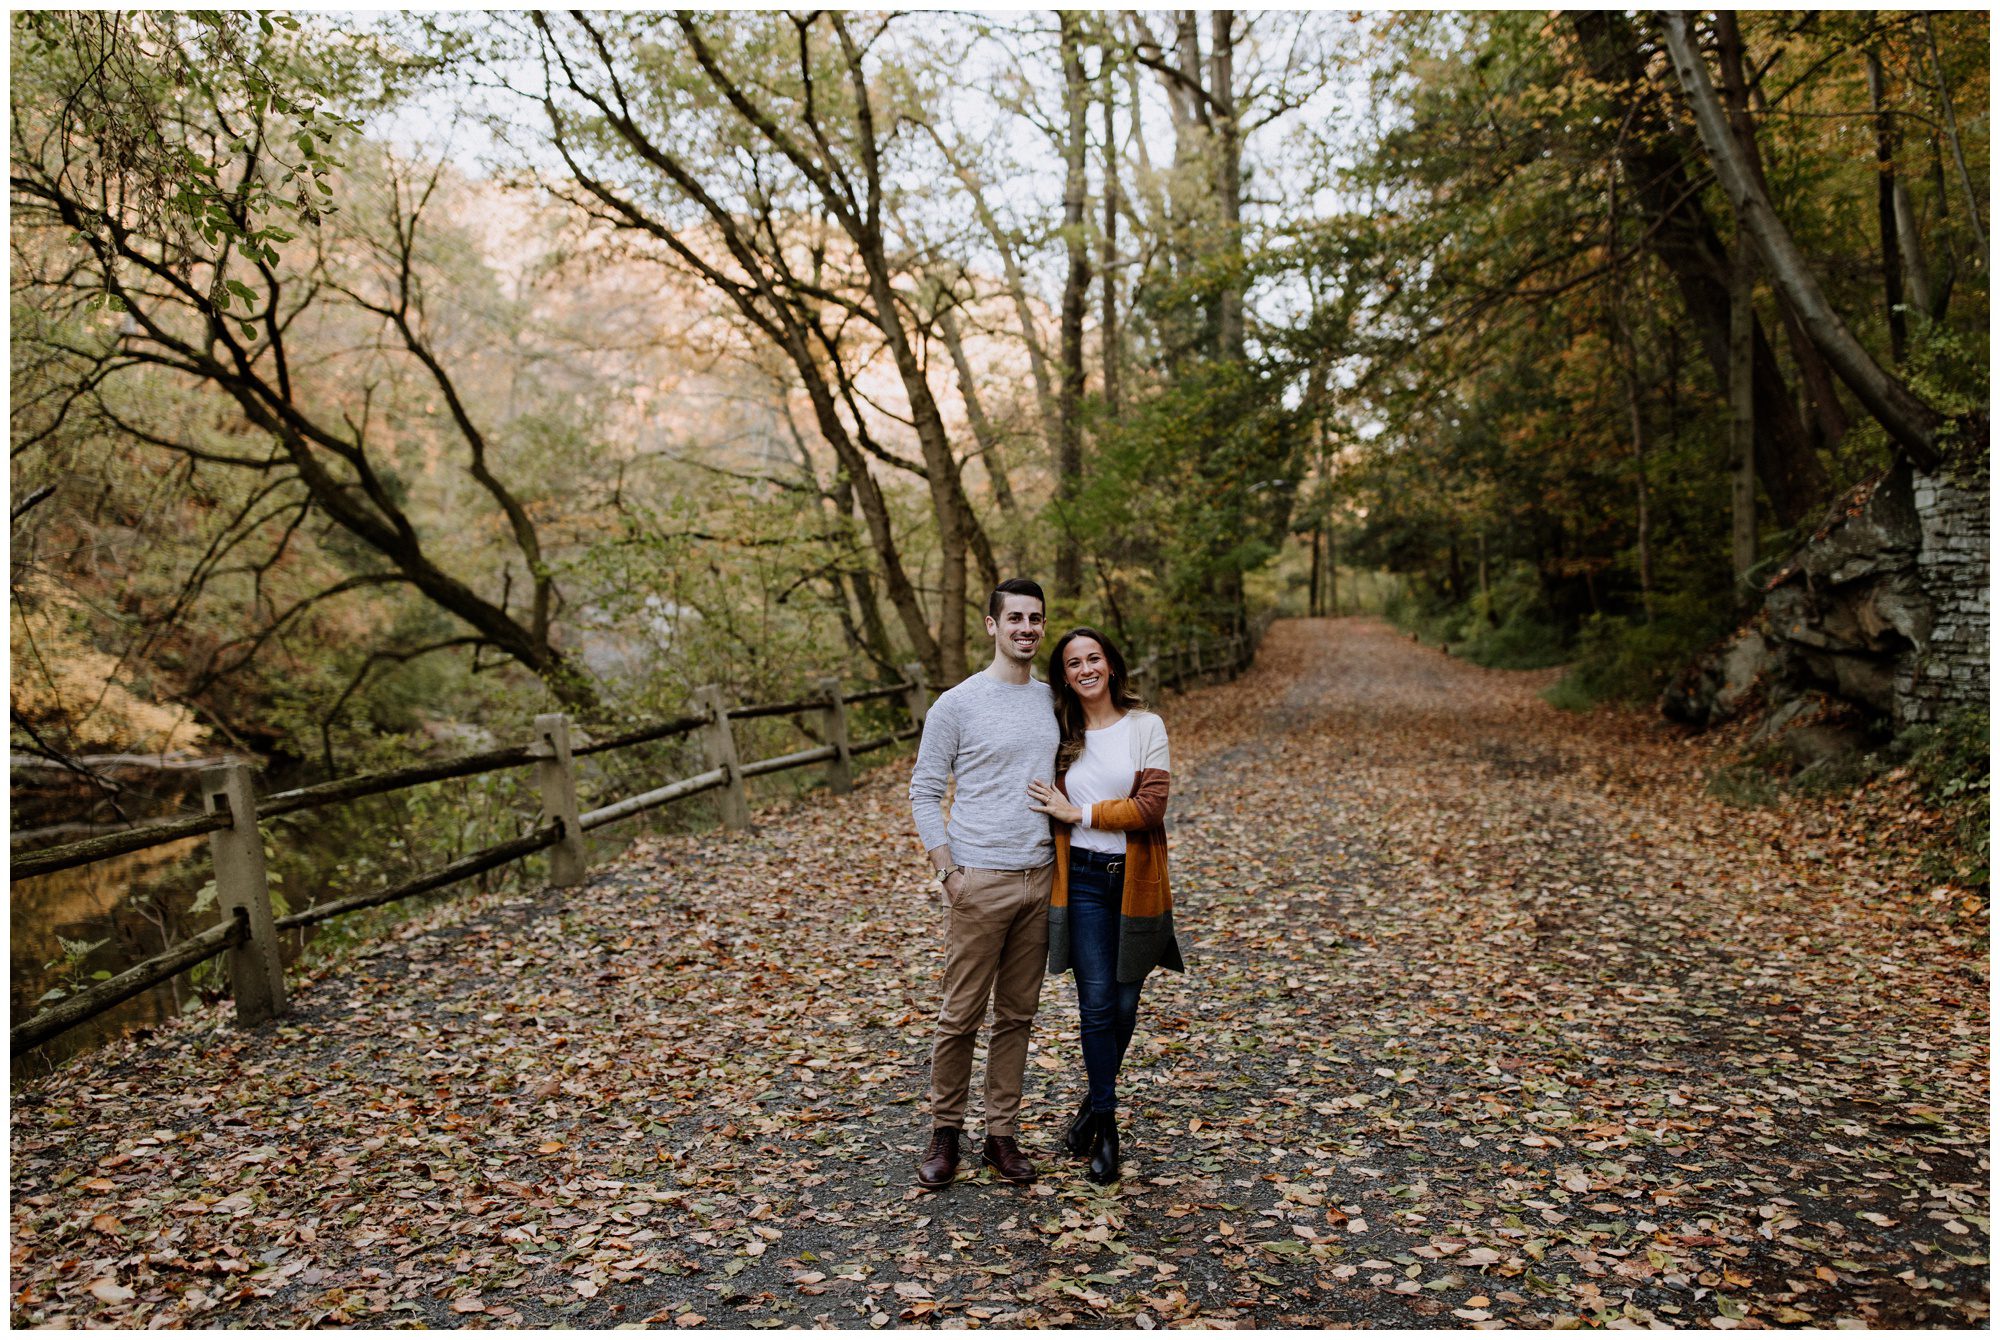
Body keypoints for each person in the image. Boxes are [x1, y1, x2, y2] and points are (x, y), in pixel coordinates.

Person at [907, 578, 1062, 1190]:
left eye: (1036, 619)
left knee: (1018, 1015)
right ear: (992, 625)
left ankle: (1001, 1136)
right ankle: (946, 1133)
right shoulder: (957, 704)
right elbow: (923, 790)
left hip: (1040, 879)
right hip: (978, 880)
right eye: (1015, 618)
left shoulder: (1052, 702)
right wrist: (947, 871)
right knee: (960, 1015)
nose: (1027, 628)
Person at [1026, 626, 1183, 1185]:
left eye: (1094, 658)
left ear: (1111, 666)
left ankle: (1092, 1104)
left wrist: (1081, 814)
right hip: (1086, 882)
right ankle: (1108, 1127)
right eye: (1073, 663)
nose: (1085, 668)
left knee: (1122, 1005)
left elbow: (1150, 809)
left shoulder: (1146, 727)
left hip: (1136, 882)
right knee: (1095, 1005)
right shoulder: (1060, 734)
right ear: (1064, 676)